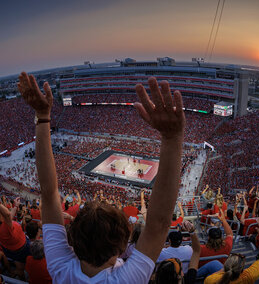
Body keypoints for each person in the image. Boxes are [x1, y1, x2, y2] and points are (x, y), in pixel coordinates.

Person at [19, 72, 185, 283]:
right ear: (122, 247)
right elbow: (160, 222)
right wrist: (172, 137)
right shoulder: (65, 267)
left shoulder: (60, 268)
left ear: (74, 241)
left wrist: (42, 118)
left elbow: (49, 193)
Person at [0, 197, 30, 278]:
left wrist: (16, 206)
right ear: (0, 214)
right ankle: (21, 277)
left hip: (9, 248)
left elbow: (9, 216)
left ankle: (18, 273)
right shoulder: (5, 226)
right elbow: (7, 214)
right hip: (20, 249)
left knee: (19, 264)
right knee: (22, 267)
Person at [198, 210, 233, 277]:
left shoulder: (201, 249)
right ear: (221, 236)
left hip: (202, 275)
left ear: (208, 237)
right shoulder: (227, 245)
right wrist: (223, 220)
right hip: (220, 273)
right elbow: (230, 234)